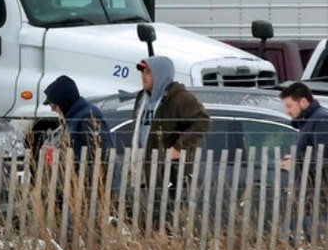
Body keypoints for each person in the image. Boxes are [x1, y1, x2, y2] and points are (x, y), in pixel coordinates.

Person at [130, 56, 211, 190]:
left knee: (164, 208)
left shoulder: (178, 97)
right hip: (143, 168)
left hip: (169, 173)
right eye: (142, 72)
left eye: (148, 72)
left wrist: (178, 147)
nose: (144, 77)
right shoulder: (142, 98)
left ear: (160, 74)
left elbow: (203, 122)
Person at [279, 81, 328, 196]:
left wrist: (297, 164)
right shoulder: (308, 121)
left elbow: (327, 157)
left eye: (289, 106)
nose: (287, 111)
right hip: (313, 190)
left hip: (323, 192)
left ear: (303, 102)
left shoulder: (321, 120)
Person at [42, 74, 114, 170]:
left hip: (87, 183)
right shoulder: (73, 118)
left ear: (64, 101)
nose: (52, 109)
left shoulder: (88, 118)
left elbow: (101, 157)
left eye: (53, 104)